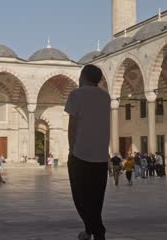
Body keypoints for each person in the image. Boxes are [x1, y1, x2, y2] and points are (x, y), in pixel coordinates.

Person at [65, 64, 110, 240]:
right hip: (101, 155)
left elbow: (72, 127)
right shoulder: (105, 96)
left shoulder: (76, 94)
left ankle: (98, 230)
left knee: (81, 197)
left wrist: (71, 149)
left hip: (81, 154)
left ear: (83, 76)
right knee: (96, 197)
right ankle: (90, 231)